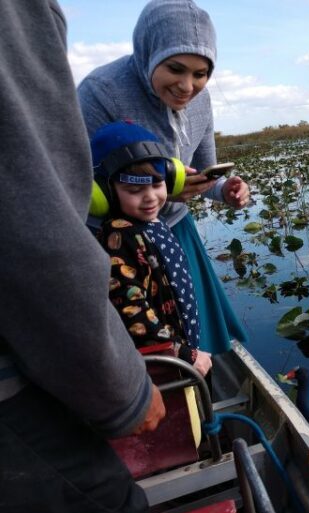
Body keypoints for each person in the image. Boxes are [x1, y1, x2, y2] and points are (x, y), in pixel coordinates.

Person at [0, 0, 165, 513]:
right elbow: (37, 234)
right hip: (15, 401)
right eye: (135, 186)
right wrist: (125, 392)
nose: (152, 196)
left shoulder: (154, 230)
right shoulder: (114, 242)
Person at [78, 0, 249, 355]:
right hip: (115, 244)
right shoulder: (100, 92)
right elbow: (79, 188)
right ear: (149, 53)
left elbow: (202, 176)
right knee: (137, 344)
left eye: (201, 74)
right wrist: (164, 191)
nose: (187, 86)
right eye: (175, 69)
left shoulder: (201, 101)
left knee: (190, 334)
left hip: (173, 233)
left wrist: (223, 190)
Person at [92, 121, 213, 376]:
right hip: (161, 361)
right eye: (134, 189)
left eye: (157, 185)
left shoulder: (155, 221)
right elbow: (132, 310)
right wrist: (183, 353)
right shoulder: (119, 235)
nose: (150, 197)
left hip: (180, 346)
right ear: (105, 191)